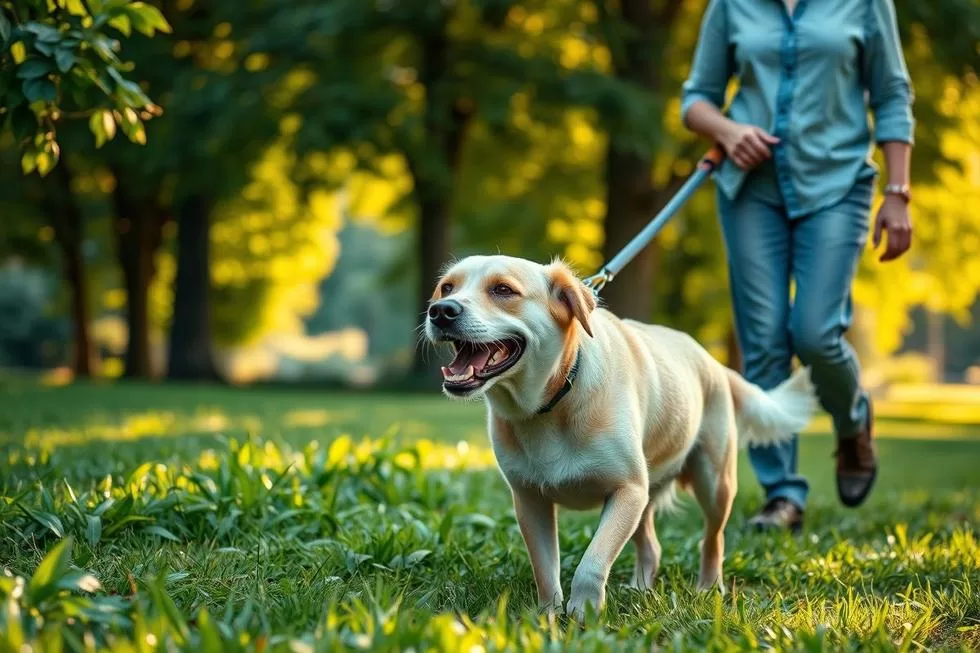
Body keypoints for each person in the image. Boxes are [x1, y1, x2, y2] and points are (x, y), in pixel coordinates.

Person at [681, 0, 915, 531]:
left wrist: (898, 192)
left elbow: (891, 93)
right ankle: (782, 496)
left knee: (814, 332)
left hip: (837, 185)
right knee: (762, 342)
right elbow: (696, 99)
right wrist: (729, 131)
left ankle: (852, 421)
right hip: (750, 191)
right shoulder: (731, 5)